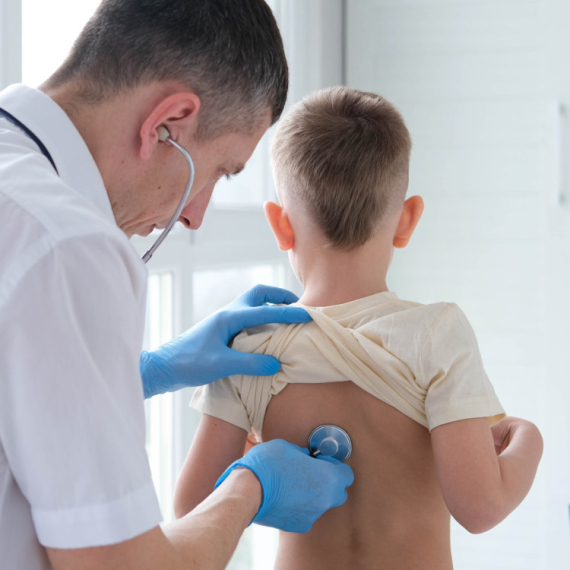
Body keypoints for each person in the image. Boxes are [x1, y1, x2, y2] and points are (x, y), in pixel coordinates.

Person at [0, 2, 354, 570]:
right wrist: (250, 489)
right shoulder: (68, 244)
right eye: (218, 171)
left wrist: (145, 371)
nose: (195, 215)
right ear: (168, 123)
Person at [174, 86, 544, 569]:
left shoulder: (249, 348)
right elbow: (481, 508)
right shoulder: (436, 335)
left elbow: (193, 511)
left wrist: (253, 477)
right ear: (407, 220)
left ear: (280, 224)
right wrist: (529, 438)